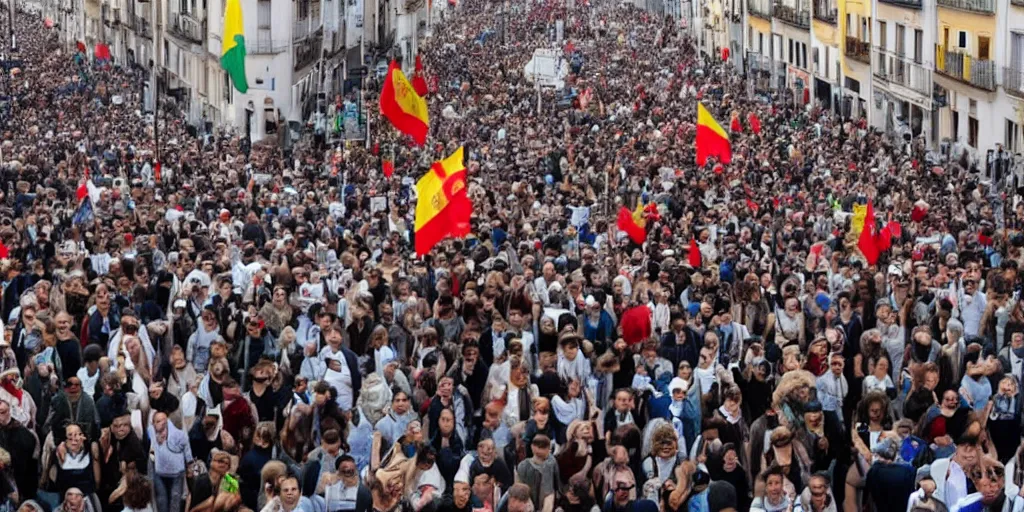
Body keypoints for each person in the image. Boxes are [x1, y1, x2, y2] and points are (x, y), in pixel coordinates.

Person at [147, 412, 193, 512]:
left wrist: (189, 465)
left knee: (175, 498)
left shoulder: (179, 435)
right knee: (161, 500)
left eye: (162, 420)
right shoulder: (151, 433)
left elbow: (186, 449)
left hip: (176, 473)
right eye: (157, 421)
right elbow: (150, 452)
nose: (161, 423)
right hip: (159, 472)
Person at [515, 435, 560, 512]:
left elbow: (555, 486)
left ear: (549, 449)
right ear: (532, 447)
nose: (539, 450)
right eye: (538, 446)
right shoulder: (523, 465)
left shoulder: (551, 463)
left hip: (549, 502)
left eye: (543, 447)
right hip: (528, 502)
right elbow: (519, 487)